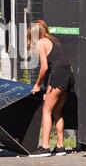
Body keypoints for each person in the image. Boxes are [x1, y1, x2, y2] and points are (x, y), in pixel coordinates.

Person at [27, 20, 74, 158]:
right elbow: (57, 64)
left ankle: (45, 147)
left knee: (46, 111)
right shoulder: (54, 41)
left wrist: (37, 84)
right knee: (57, 112)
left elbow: (45, 68)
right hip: (67, 77)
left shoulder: (41, 43)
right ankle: (60, 147)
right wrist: (47, 89)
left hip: (57, 77)